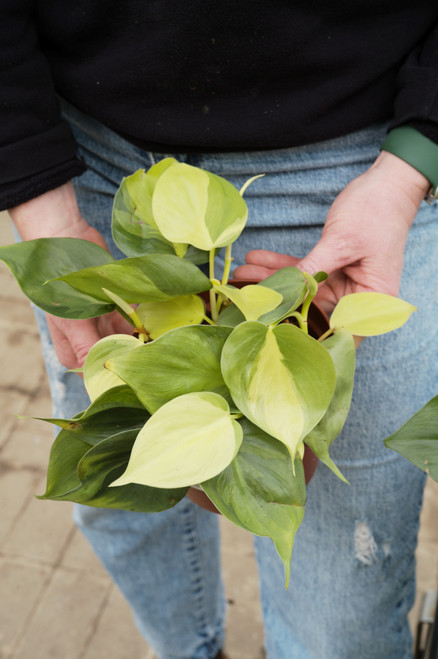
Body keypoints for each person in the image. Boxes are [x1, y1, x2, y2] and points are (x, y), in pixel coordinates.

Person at [1, 3, 438, 658]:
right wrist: (39, 200)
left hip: (359, 165)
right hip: (91, 156)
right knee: (120, 503)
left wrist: (411, 165)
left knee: (340, 612)